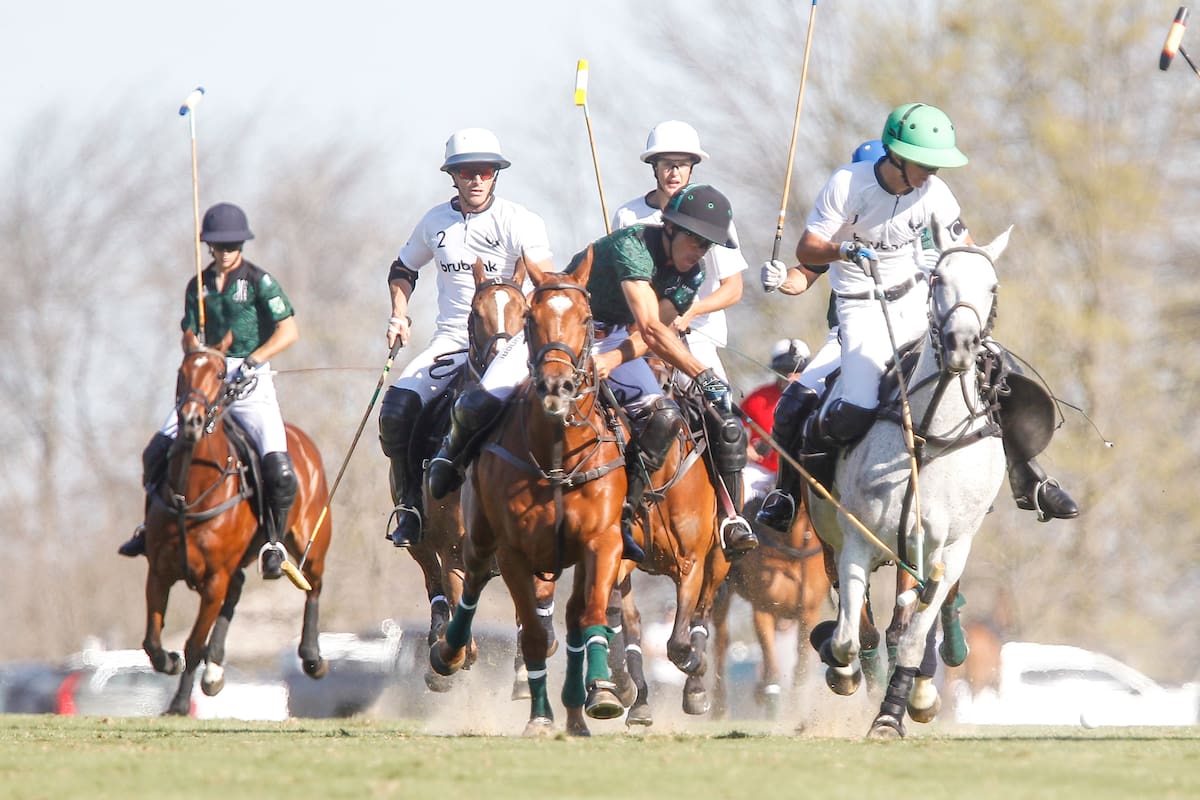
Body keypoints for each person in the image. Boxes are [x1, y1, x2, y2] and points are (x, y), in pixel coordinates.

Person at [757, 102, 1078, 531]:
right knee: (854, 409)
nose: (931, 173)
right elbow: (807, 250)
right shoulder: (847, 185)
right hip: (861, 311)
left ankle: (1029, 478)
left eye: (935, 165)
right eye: (924, 164)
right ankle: (800, 495)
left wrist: (974, 275)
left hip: (915, 303)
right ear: (895, 154)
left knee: (995, 369)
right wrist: (830, 256)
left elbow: (963, 247)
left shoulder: (935, 193)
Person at [425, 184, 758, 562]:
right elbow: (651, 328)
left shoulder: (691, 275)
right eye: (695, 240)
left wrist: (614, 359)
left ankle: (627, 512)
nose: (700, 251)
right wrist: (702, 374)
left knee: (664, 417)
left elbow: (653, 335)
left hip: (613, 338)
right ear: (669, 228)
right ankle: (449, 459)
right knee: (478, 401)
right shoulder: (633, 246)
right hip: (557, 330)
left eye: (707, 245)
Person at [377, 128, 553, 548]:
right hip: (455, 339)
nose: (476, 180)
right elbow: (403, 269)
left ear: (496, 175)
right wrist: (399, 314)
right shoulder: (435, 222)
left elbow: (545, 281)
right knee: (397, 409)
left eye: (485, 172)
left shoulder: (520, 221)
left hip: (515, 343)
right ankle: (410, 506)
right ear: (452, 176)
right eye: (466, 172)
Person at [118, 202, 300, 580]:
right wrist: (195, 347)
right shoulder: (197, 286)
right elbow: (187, 329)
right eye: (220, 245)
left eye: (233, 245)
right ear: (209, 246)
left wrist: (253, 359)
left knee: (279, 468)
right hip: (205, 380)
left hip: (249, 383)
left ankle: (273, 542)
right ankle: (149, 526)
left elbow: (289, 331)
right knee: (156, 452)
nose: (227, 251)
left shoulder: (259, 282)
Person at [611, 121, 747, 385]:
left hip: (694, 336)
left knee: (717, 403)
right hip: (638, 332)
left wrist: (691, 311)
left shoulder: (712, 215)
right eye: (667, 164)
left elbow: (733, 289)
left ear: (692, 167)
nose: (674, 173)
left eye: (682, 164)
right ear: (654, 167)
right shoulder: (627, 215)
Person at [741, 338, 810, 505]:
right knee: (740, 486)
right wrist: (744, 447)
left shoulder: (815, 398)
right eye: (785, 371)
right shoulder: (757, 398)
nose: (791, 376)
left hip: (799, 470)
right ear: (776, 370)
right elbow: (734, 426)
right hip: (762, 470)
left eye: (798, 371)